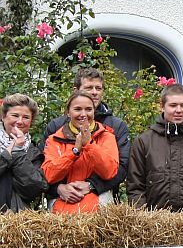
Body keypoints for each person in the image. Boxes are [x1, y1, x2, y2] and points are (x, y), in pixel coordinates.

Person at [41, 67, 130, 205]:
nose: (94, 92)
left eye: (98, 88)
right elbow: (42, 167)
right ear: (76, 90)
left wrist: (91, 186)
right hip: (62, 198)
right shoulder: (56, 127)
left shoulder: (115, 127)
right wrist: (57, 188)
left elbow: (121, 167)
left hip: (100, 196)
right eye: (89, 88)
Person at [126, 84, 183, 210]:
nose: (178, 110)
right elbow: (135, 188)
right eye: (173, 105)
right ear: (162, 106)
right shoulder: (144, 141)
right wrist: (143, 218)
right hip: (154, 223)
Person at [42, 91, 120, 214]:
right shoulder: (54, 140)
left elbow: (109, 171)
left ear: (94, 112)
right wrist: (74, 152)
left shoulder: (106, 136)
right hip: (61, 207)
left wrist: (89, 145)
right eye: (77, 109)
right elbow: (48, 175)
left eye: (88, 109)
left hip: (98, 208)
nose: (83, 114)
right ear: (68, 112)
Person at [0, 93, 47, 211]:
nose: (20, 122)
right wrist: (6, 155)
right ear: (3, 117)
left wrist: (18, 152)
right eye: (15, 115)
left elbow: (34, 189)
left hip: (15, 220)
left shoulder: (34, 152)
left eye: (26, 117)